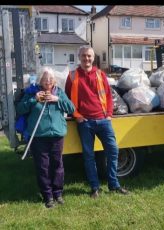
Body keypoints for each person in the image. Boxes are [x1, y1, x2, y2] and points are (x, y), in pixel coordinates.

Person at [65, 46, 128, 198]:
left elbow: (108, 96)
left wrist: (109, 114)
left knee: (113, 151)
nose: (87, 59)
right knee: (89, 156)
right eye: (84, 56)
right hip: (84, 122)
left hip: (103, 120)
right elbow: (67, 100)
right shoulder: (72, 76)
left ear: (93, 58)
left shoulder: (100, 74)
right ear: (79, 57)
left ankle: (114, 184)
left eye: (89, 56)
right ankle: (95, 188)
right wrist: (77, 116)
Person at [16, 67, 75, 208]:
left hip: (57, 135)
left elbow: (71, 108)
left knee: (57, 165)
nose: (48, 81)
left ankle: (58, 193)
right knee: (43, 166)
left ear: (54, 80)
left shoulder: (59, 92)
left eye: (50, 78)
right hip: (39, 136)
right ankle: (48, 196)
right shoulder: (32, 92)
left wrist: (57, 99)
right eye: (45, 78)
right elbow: (20, 109)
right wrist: (33, 100)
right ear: (40, 80)